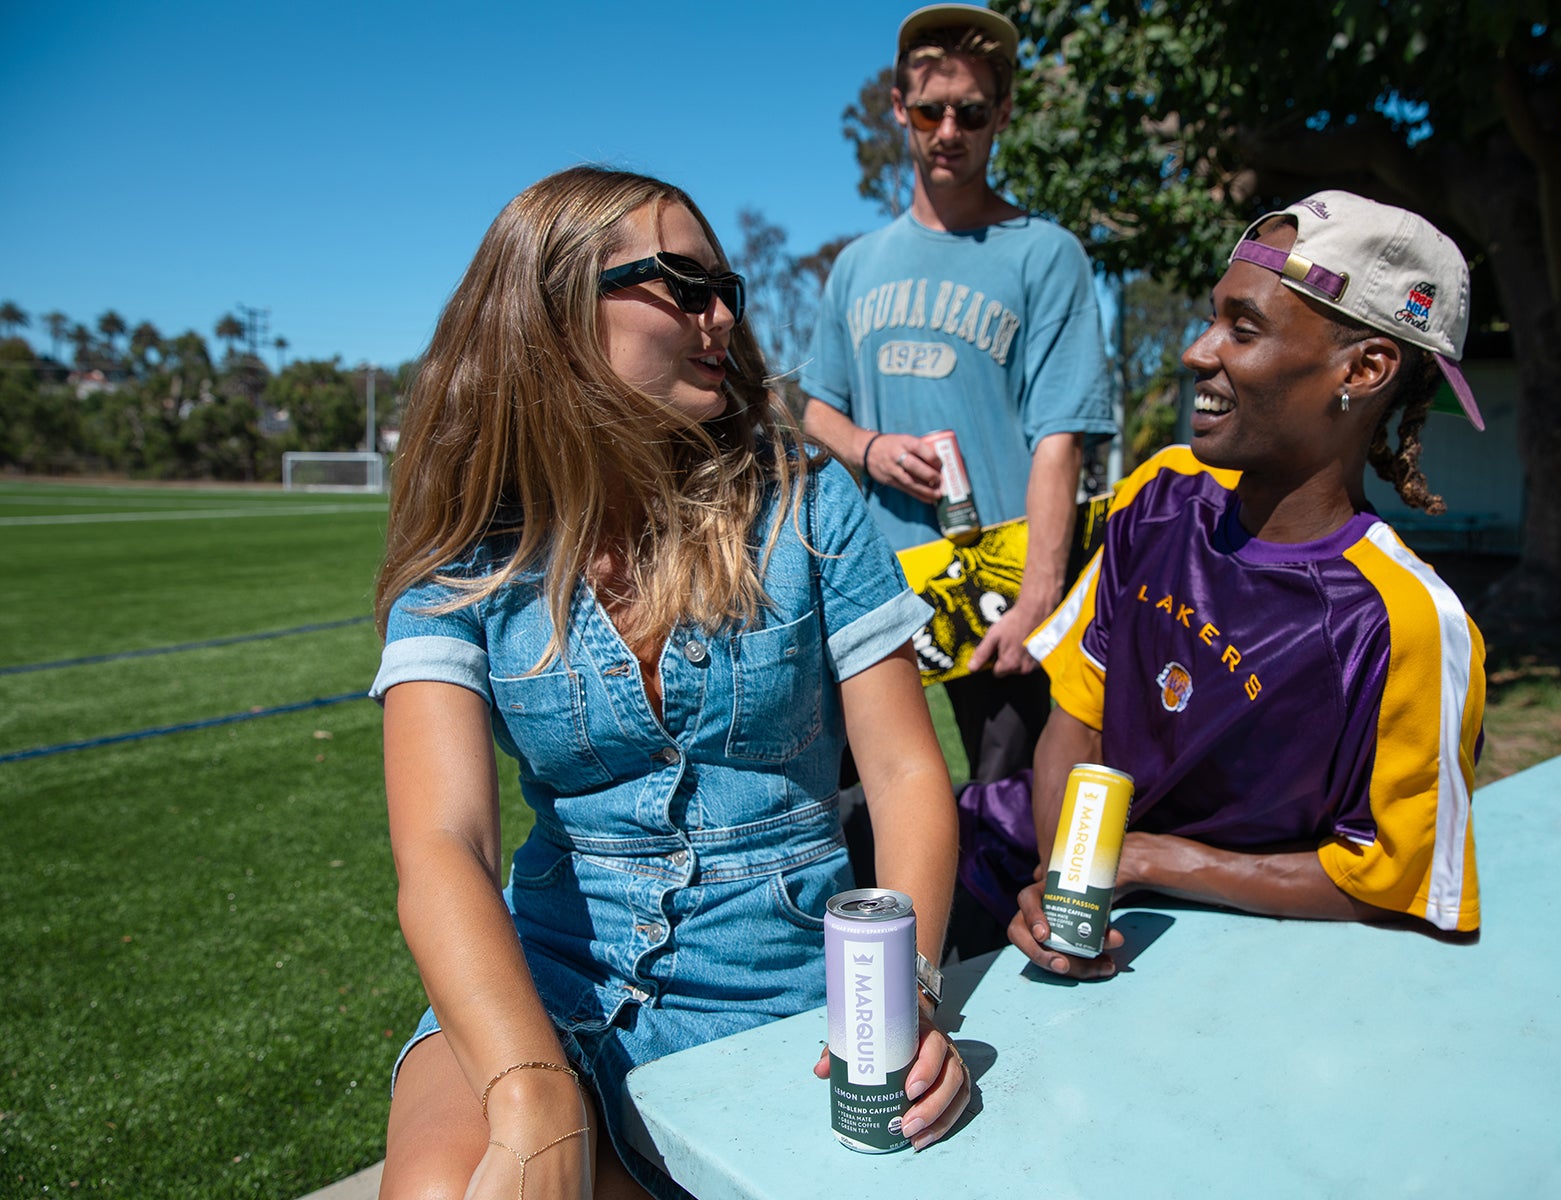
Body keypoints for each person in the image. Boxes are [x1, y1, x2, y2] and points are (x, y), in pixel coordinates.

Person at [370, 166, 967, 1200]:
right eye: (683, 286)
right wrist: (531, 1089)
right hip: (545, 975)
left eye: (724, 286)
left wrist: (902, 994)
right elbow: (442, 844)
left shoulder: (806, 503)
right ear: (552, 310)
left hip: (783, 989)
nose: (724, 313)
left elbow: (910, 775)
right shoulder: (470, 548)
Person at [992, 190, 1489, 978]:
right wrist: (1068, 883)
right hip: (1032, 856)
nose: (1197, 352)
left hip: (1216, 959)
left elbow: (1394, 878)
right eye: (1212, 317)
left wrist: (1154, 862)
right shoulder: (1159, 493)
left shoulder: (1404, 624)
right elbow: (1076, 722)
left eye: (1243, 329)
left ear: (1361, 369)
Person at [800, 3, 1115, 786]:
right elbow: (814, 409)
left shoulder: (1046, 255)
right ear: (901, 110)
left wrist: (1039, 594)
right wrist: (868, 449)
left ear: (1001, 115)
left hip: (996, 581)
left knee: (1008, 809)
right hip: (872, 582)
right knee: (854, 808)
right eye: (932, 110)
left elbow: (1059, 438)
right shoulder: (856, 266)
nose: (949, 130)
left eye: (971, 112)